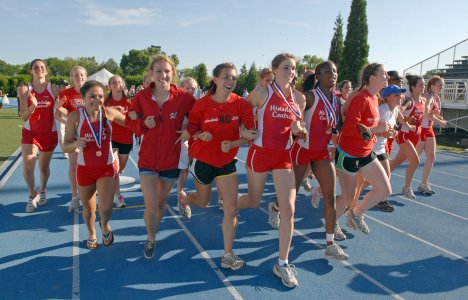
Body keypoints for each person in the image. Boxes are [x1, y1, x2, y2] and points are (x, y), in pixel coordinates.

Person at [237, 53, 307, 288]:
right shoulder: (261, 93)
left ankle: (283, 263)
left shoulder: (298, 98)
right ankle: (230, 204)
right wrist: (244, 132)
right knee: (253, 200)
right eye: (286, 68)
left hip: (283, 157)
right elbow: (241, 116)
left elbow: (298, 126)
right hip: (260, 153)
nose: (290, 72)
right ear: (275, 70)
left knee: (288, 209)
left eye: (293, 68)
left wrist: (299, 129)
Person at [177, 62, 255, 271]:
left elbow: (251, 134)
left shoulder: (241, 104)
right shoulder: (201, 105)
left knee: (231, 209)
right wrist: (200, 135)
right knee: (203, 202)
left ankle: (228, 255)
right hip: (204, 161)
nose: (231, 81)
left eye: (234, 78)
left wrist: (235, 142)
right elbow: (192, 128)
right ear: (216, 79)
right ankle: (185, 198)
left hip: (227, 163)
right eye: (226, 77)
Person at [126, 54, 196, 259]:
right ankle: (151, 237)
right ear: (151, 74)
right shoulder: (141, 97)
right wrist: (141, 125)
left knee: (160, 204)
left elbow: (198, 117)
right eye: (159, 71)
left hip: (170, 160)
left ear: (173, 73)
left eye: (167, 71)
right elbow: (129, 120)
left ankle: (153, 231)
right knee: (150, 205)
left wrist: (188, 131)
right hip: (147, 159)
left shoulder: (184, 97)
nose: (163, 75)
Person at [290, 61, 348, 260]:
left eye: (334, 71)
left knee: (330, 196)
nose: (332, 74)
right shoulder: (311, 96)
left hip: (322, 153)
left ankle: (330, 244)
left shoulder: (337, 101)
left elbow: (337, 124)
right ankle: (277, 208)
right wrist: (298, 124)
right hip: (303, 151)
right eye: (327, 72)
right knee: (291, 194)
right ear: (318, 76)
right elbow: (297, 111)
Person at [63, 80, 126, 249]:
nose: (97, 100)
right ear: (83, 98)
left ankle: (104, 224)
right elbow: (65, 145)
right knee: (89, 210)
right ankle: (91, 233)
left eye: (100, 96)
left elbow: (132, 123)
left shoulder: (109, 113)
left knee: (105, 209)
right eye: (92, 96)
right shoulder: (75, 116)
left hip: (106, 168)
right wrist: (75, 144)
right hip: (85, 169)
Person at [335, 63, 393, 236]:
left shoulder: (375, 98)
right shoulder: (361, 98)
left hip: (366, 152)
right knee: (347, 196)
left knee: (384, 190)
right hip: (349, 153)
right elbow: (350, 129)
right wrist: (377, 129)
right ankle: (331, 226)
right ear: (372, 78)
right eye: (383, 74)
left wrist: (383, 131)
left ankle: (355, 213)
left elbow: (368, 127)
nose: (387, 77)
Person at [348, 85, 414, 213]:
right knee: (360, 182)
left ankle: (361, 206)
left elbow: (394, 124)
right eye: (396, 94)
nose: (400, 97)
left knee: (385, 179)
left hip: (381, 149)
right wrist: (385, 133)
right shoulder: (381, 110)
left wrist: (397, 131)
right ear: (387, 97)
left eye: (400, 94)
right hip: (370, 149)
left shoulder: (395, 110)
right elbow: (370, 129)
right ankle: (351, 206)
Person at [18, 59, 60, 213]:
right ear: (31, 71)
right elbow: (23, 117)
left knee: (43, 167)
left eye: (42, 67)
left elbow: (62, 110)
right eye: (35, 67)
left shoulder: (53, 89)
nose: (39, 69)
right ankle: (32, 195)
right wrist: (33, 106)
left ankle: (42, 191)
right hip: (30, 132)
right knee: (28, 166)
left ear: (46, 71)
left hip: (49, 133)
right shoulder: (25, 89)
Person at [55, 66, 87, 212]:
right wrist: (70, 125)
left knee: (90, 166)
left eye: (81, 74)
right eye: (75, 75)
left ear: (85, 76)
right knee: (74, 166)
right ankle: (75, 197)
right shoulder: (66, 94)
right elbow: (57, 115)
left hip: (91, 135)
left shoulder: (92, 90)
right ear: (71, 77)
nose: (78, 77)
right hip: (74, 135)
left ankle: (87, 194)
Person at [390, 74, 426, 199]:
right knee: (415, 161)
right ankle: (407, 188)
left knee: (396, 162)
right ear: (413, 87)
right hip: (404, 136)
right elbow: (397, 111)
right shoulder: (409, 101)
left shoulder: (423, 101)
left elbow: (420, 118)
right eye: (420, 85)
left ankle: (374, 178)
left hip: (415, 136)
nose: (423, 87)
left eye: (424, 85)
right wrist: (407, 123)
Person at [416, 76, 447, 194]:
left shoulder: (436, 97)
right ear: (431, 85)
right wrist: (439, 121)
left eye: (442, 86)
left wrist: (438, 118)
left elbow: (432, 115)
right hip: (421, 130)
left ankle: (424, 183)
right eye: (439, 85)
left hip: (429, 130)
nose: (441, 88)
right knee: (413, 160)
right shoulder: (427, 97)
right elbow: (426, 113)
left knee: (431, 157)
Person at [106, 75, 134, 208]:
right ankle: (118, 196)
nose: (116, 84)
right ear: (109, 86)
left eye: (119, 82)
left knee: (120, 168)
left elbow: (135, 119)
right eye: (113, 82)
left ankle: (111, 186)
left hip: (126, 138)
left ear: (123, 85)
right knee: (115, 168)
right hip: (110, 138)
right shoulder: (105, 102)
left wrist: (123, 115)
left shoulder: (130, 102)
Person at [175, 76, 199, 203]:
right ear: (181, 88)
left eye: (193, 88)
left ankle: (180, 190)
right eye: (187, 88)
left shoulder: (197, 104)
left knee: (185, 167)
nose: (190, 90)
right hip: (170, 140)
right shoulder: (174, 101)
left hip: (186, 140)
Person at [56, 80, 70, 159]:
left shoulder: (71, 92)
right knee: (61, 134)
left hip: (69, 114)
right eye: (62, 85)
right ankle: (65, 152)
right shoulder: (57, 94)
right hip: (60, 114)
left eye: (66, 85)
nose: (64, 86)